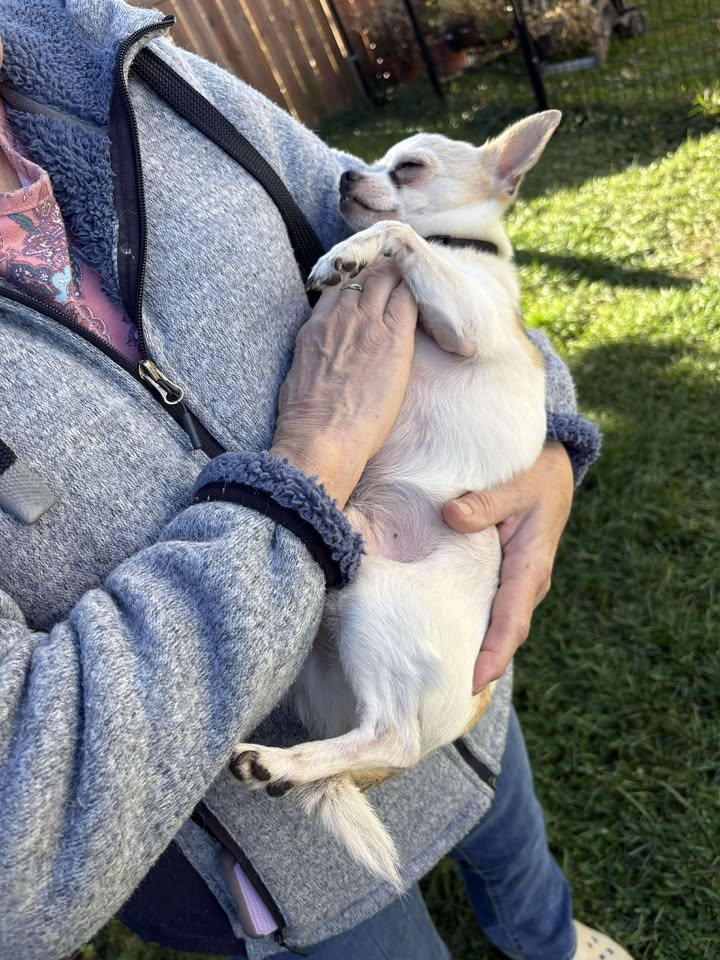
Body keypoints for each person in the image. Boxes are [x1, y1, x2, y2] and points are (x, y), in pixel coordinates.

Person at [0, 2, 631, 959]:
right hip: (265, 836)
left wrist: (548, 443)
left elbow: (396, 225)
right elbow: (20, 830)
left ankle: (549, 940)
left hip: (457, 646)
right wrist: (310, 465)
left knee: (516, 851)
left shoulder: (102, 56)